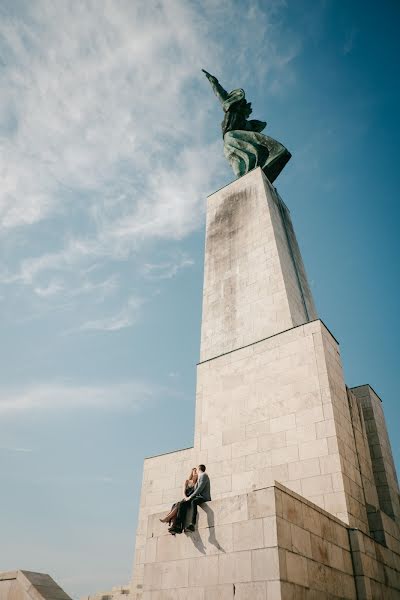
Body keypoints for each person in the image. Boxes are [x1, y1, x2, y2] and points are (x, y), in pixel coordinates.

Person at [170, 464, 211, 534]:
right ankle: (179, 526)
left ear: (199, 469)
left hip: (203, 497)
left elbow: (200, 489)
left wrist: (190, 497)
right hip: (198, 497)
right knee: (182, 503)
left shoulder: (204, 475)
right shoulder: (199, 477)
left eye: (196, 470)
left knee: (193, 502)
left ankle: (192, 524)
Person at [159, 467, 198, 532]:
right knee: (175, 504)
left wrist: (188, 498)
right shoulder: (187, 482)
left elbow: (196, 492)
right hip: (186, 498)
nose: (194, 474)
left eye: (195, 472)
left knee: (180, 504)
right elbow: (183, 491)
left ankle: (169, 518)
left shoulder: (196, 484)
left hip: (191, 499)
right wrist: (185, 497)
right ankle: (173, 524)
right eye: (193, 472)